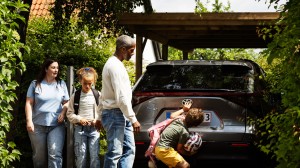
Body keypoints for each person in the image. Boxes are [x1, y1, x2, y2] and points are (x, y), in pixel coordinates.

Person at [100, 34, 141, 168]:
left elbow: (104, 93)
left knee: (129, 150)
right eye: (131, 50)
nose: (133, 53)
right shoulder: (114, 66)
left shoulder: (116, 64)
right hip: (115, 114)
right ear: (123, 49)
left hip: (121, 114)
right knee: (115, 152)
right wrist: (133, 118)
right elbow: (121, 97)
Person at [25, 59, 69, 168]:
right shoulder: (35, 84)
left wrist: (63, 113)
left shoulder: (61, 84)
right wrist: (29, 121)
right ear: (46, 69)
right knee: (39, 158)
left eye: (57, 68)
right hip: (37, 126)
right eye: (53, 67)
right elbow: (28, 103)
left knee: (55, 154)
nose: (56, 70)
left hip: (56, 126)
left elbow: (67, 103)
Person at [66, 67, 102, 168]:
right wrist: (79, 119)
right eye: (85, 83)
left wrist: (97, 120)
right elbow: (69, 113)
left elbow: (102, 111)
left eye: (90, 83)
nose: (87, 86)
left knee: (95, 157)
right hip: (80, 130)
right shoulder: (76, 95)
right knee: (81, 157)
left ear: (94, 81)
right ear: (80, 80)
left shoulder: (97, 95)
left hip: (94, 130)